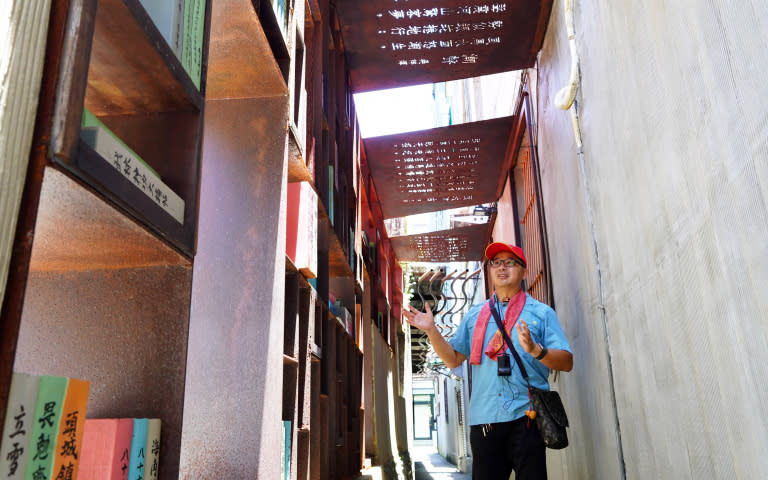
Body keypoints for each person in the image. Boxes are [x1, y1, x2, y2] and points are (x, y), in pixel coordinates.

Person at [404, 242, 573, 480]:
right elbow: (453, 360)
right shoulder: (474, 315)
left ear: (524, 271)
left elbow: (566, 362)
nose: (502, 268)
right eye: (496, 262)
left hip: (527, 417)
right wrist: (432, 331)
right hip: (485, 421)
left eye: (510, 262)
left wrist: (537, 351)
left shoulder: (541, 313)